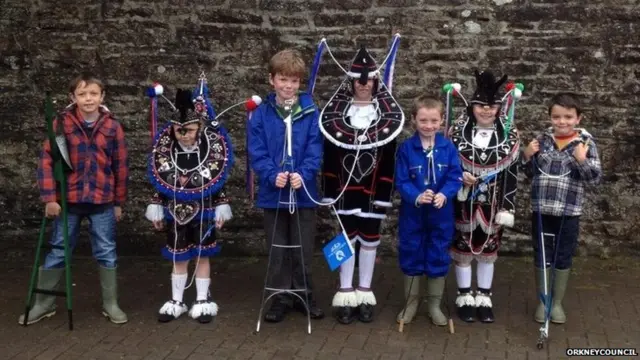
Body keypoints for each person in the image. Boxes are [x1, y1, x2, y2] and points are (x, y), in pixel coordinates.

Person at [21, 72, 129, 325]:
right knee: (59, 249)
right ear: (73, 97)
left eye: (93, 93)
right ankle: (43, 303)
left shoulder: (113, 127)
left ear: (102, 96)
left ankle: (110, 303)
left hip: (102, 201)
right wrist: (50, 198)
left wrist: (118, 202)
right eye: (82, 94)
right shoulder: (62, 124)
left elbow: (121, 166)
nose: (88, 98)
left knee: (106, 250)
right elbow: (47, 162)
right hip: (68, 201)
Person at [320, 43, 405, 324]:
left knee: (370, 239)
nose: (364, 86)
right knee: (344, 239)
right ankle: (345, 292)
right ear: (351, 82)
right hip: (343, 190)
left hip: (372, 192)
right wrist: (329, 191)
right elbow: (330, 156)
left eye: (368, 81)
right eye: (359, 80)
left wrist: (384, 193)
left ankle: (365, 291)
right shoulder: (336, 113)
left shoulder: (387, 115)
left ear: (376, 81)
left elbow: (390, 157)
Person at [145, 75, 233, 323]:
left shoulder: (211, 154)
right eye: (179, 130)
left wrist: (221, 208)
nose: (184, 135)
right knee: (178, 256)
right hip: (175, 212)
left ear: (199, 129)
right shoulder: (165, 155)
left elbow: (217, 181)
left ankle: (203, 300)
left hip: (204, 212)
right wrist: (157, 208)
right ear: (172, 129)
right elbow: (160, 182)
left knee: (203, 256)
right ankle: (177, 300)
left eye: (189, 130)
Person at [247, 49, 325, 323]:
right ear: (272, 80)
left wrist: (303, 173)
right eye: (283, 79)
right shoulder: (261, 114)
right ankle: (279, 297)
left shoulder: (310, 111)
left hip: (303, 193)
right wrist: (271, 174)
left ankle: (304, 295)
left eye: (294, 81)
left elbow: (316, 148)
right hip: (274, 192)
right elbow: (257, 150)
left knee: (303, 247)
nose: (288, 86)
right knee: (278, 248)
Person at [521, 93, 602, 324]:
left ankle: (556, 304)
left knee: (563, 255)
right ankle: (543, 302)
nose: (562, 121)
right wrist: (527, 156)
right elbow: (529, 173)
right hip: (541, 209)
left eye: (568, 117)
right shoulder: (542, 140)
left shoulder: (585, 143)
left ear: (579, 118)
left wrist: (582, 160)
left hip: (568, 212)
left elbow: (594, 178)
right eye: (556, 117)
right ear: (550, 117)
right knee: (542, 254)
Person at [448, 70, 521, 323]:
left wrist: (508, 206)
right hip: (463, 201)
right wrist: (460, 177)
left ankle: (484, 296)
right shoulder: (457, 132)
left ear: (499, 108)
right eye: (481, 106)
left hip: (493, 203)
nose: (487, 111)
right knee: (463, 247)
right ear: (472, 106)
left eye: (492, 106)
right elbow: (448, 166)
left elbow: (512, 173)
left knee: (489, 248)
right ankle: (465, 295)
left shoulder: (509, 135)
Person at [395, 95, 462, 326]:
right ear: (414, 120)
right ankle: (411, 303)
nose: (429, 125)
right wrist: (416, 196)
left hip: (441, 212)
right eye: (423, 120)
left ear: (442, 121)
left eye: (434, 121)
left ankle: (434, 305)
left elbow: (455, 176)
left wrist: (445, 194)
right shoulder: (406, 148)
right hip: (413, 213)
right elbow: (401, 180)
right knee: (411, 252)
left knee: (438, 253)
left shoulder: (448, 147)